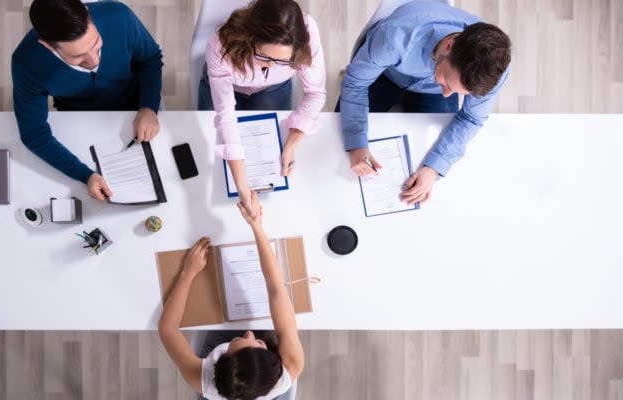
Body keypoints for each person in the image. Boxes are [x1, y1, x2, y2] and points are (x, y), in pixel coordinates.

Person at [339, 0, 511, 205]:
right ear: (449, 46)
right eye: (447, 82)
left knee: (426, 153)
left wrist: (433, 168)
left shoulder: (491, 71)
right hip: (384, 74)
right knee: (338, 142)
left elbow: (471, 118)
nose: (448, 95)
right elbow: (356, 84)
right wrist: (357, 144)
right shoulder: (394, 37)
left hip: (429, 91)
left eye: (457, 91)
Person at [12, 0, 163, 201]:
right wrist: (86, 175)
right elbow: (34, 134)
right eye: (79, 57)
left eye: (96, 44)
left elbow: (150, 58)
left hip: (141, 103)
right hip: (78, 117)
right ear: (48, 46)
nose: (94, 61)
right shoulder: (27, 63)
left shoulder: (119, 16)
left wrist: (149, 107)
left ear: (87, 14)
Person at [158, 192, 304, 400]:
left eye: (239, 340)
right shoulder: (291, 364)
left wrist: (188, 273)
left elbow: (167, 329)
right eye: (258, 343)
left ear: (220, 359)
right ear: (274, 359)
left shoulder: (202, 378)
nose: (249, 333)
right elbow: (277, 289)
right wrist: (256, 226)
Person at [199, 0, 326, 217]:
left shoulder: (308, 31)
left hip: (273, 89)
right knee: (207, 149)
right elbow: (226, 114)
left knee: (275, 140)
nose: (272, 66)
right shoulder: (219, 44)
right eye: (264, 56)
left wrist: (292, 144)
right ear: (250, 38)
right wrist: (242, 187)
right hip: (229, 86)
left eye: (284, 60)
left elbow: (315, 93)